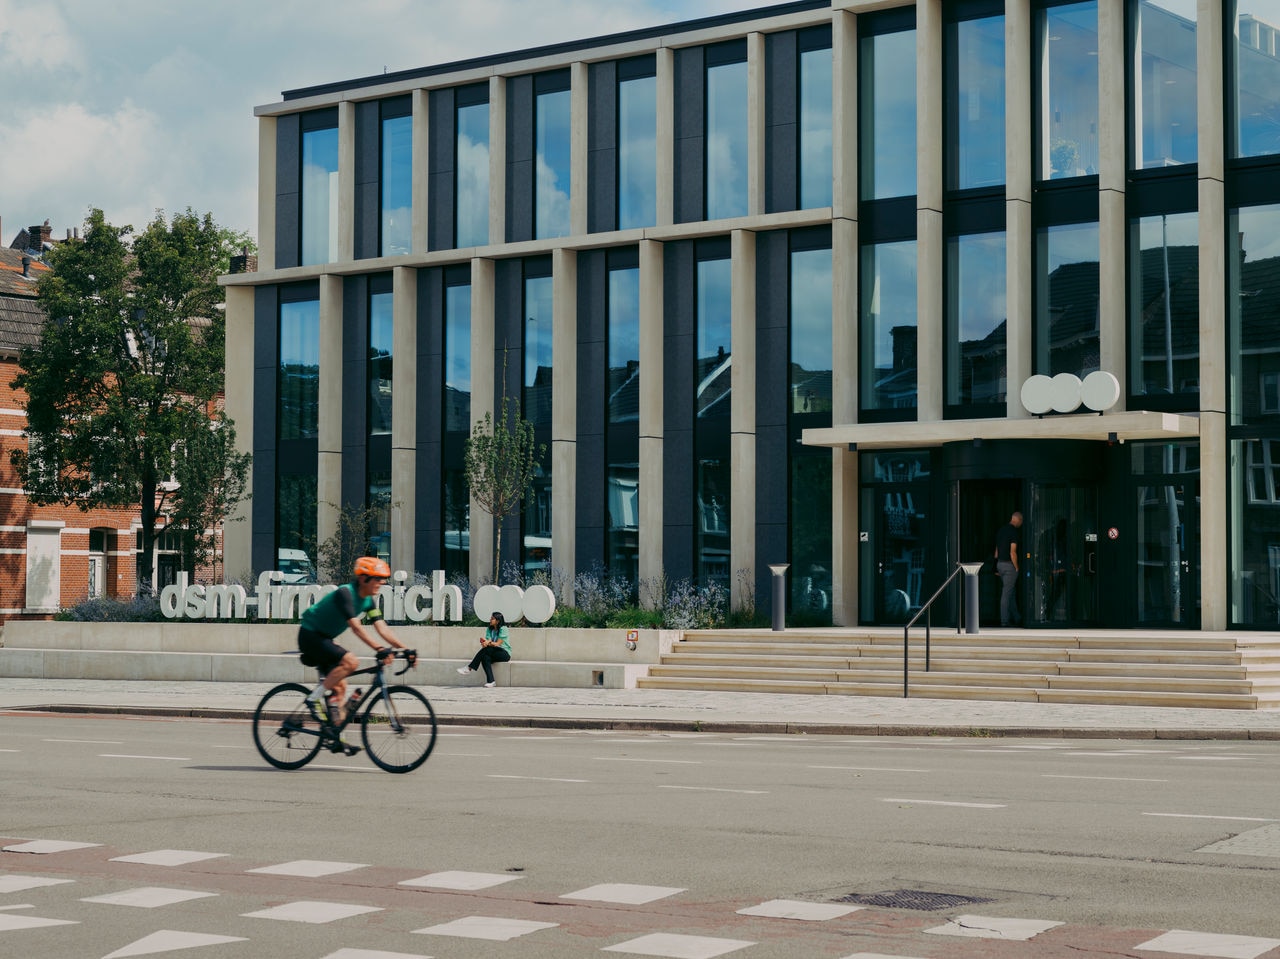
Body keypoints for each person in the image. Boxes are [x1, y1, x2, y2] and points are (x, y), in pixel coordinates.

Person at [297, 556, 413, 736]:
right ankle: (312, 700)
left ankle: (334, 735)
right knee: (351, 662)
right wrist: (379, 649)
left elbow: (381, 627)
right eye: (377, 578)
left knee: (341, 687)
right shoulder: (346, 593)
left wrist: (405, 649)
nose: (381, 583)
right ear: (363, 578)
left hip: (325, 638)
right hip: (310, 635)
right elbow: (355, 627)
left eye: (382, 579)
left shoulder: (368, 600)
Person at [457, 611, 511, 688]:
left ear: (498, 621)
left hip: (504, 653)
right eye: (491, 618)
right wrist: (484, 643)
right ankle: (491, 681)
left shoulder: (504, 629)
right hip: (492, 651)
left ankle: (469, 668)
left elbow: (498, 644)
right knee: (485, 657)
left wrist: (488, 643)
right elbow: (488, 642)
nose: (490, 620)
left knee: (487, 650)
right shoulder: (489, 629)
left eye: (492, 619)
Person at [994, 511, 1023, 627]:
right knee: (1006, 593)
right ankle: (1004, 621)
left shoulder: (1001, 530)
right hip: (1009, 565)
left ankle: (1017, 617)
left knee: (1011, 591)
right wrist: (1016, 567)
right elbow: (1013, 552)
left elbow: (996, 551)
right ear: (1018, 520)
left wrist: (995, 567)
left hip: (1000, 564)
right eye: (1021, 522)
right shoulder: (1014, 532)